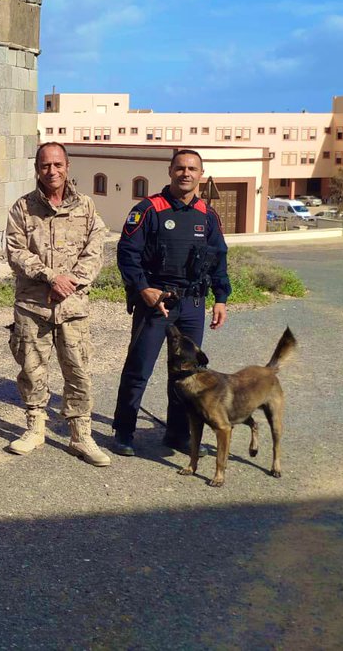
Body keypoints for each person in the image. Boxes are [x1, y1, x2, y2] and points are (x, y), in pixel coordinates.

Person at [111, 148, 231, 456]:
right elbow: (127, 253)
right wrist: (143, 289)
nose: (186, 173)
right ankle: (124, 431)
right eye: (180, 168)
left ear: (200, 175)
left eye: (192, 169)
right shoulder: (149, 209)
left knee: (186, 373)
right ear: (170, 171)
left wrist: (221, 298)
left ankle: (178, 434)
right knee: (139, 369)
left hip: (192, 305)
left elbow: (219, 258)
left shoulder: (207, 214)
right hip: (157, 301)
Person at [4, 142, 111, 466]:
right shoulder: (22, 208)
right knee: (32, 370)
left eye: (57, 165)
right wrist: (51, 277)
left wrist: (71, 282)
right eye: (45, 165)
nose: (52, 171)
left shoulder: (87, 207)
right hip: (33, 307)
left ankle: (81, 437)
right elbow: (16, 252)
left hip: (73, 308)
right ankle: (35, 428)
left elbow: (96, 249)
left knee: (78, 372)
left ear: (67, 166)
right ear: (37, 168)